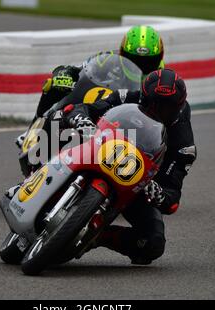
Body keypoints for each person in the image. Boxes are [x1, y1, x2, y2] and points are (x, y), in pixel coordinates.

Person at [62, 69, 197, 265]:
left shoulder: (184, 146)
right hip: (98, 152)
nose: (158, 112)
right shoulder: (127, 97)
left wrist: (157, 191)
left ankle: (98, 236)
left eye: (166, 109)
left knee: (153, 244)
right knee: (57, 119)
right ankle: (35, 174)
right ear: (143, 98)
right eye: (153, 105)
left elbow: (172, 199)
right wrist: (82, 120)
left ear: (178, 107)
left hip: (134, 185)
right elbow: (81, 108)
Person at [16, 25, 165, 147]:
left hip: (132, 124)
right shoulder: (107, 60)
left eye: (148, 61)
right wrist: (64, 74)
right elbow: (78, 70)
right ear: (122, 53)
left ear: (159, 58)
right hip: (101, 108)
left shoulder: (162, 77)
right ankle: (35, 127)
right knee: (52, 85)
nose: (139, 65)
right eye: (133, 59)